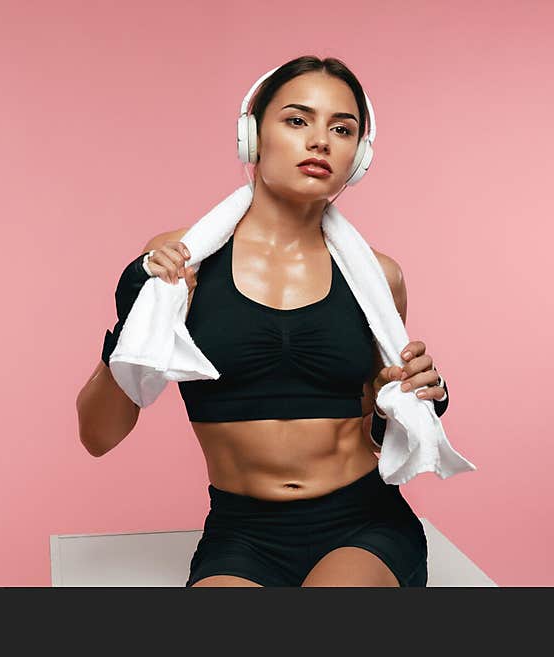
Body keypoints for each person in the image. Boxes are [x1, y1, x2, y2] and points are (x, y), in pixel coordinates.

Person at [76, 55, 448, 587]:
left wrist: (414, 396)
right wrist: (133, 320)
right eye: (297, 120)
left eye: (342, 129)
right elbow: (98, 436)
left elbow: (379, 426)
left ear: (358, 156)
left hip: (364, 524)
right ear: (252, 135)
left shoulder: (379, 278)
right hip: (241, 530)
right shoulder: (180, 262)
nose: (320, 140)